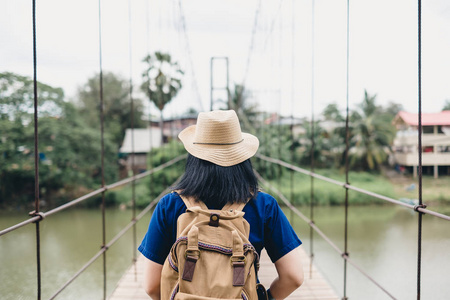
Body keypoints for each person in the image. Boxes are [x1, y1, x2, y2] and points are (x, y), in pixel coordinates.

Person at [139, 110, 304, 299]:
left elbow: (152, 286)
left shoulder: (169, 205)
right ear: (243, 156)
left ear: (193, 155)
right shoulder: (264, 205)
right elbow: (293, 277)